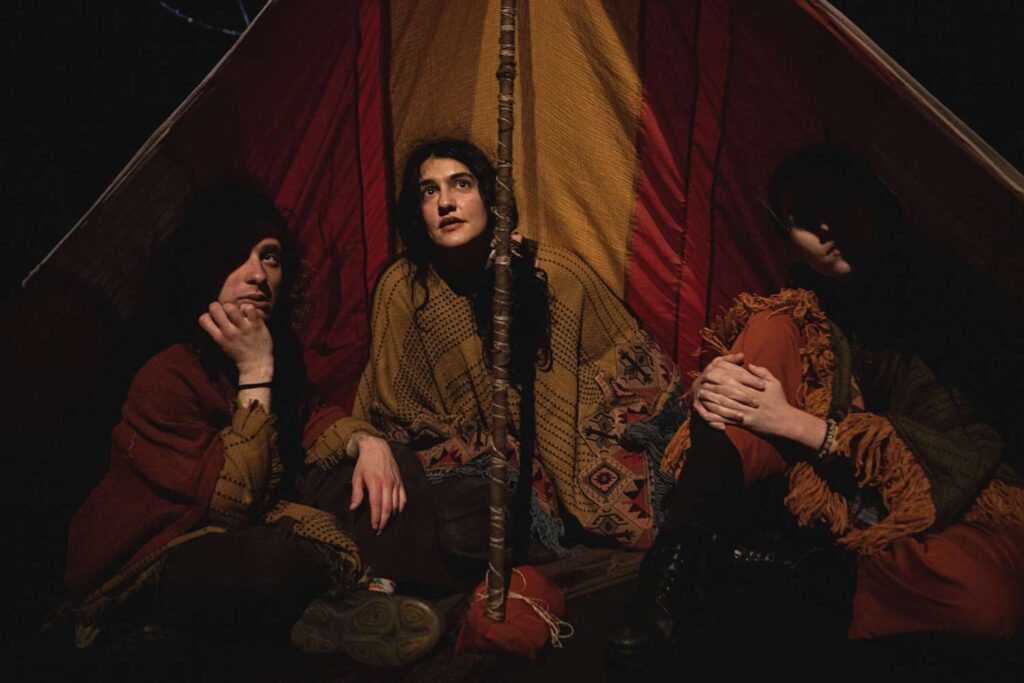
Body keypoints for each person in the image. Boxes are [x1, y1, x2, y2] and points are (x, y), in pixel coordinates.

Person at [610, 145, 1024, 661]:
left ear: (874, 201)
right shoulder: (802, 306)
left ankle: (785, 572)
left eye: (838, 202)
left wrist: (797, 425)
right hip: (834, 488)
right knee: (769, 327)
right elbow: (762, 391)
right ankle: (671, 569)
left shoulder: (953, 297)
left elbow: (972, 453)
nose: (825, 227)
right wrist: (716, 382)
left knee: (979, 601)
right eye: (803, 217)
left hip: (965, 505)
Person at [65, 186, 446, 666]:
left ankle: (371, 601)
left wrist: (366, 441)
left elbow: (311, 418)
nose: (258, 274)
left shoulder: (277, 346)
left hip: (265, 511)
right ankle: (338, 601)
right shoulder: (164, 370)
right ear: (202, 267)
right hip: (175, 544)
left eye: (270, 257)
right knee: (264, 562)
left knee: (394, 469)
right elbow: (230, 507)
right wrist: (254, 373)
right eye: (236, 255)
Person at [328, 139, 681, 565]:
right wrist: (387, 444)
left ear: (491, 199)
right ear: (418, 212)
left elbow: (630, 372)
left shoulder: (552, 273)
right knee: (405, 508)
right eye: (429, 191)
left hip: (571, 455)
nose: (445, 203)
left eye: (461, 184)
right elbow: (391, 409)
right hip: (461, 463)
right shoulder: (405, 289)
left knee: (475, 524)